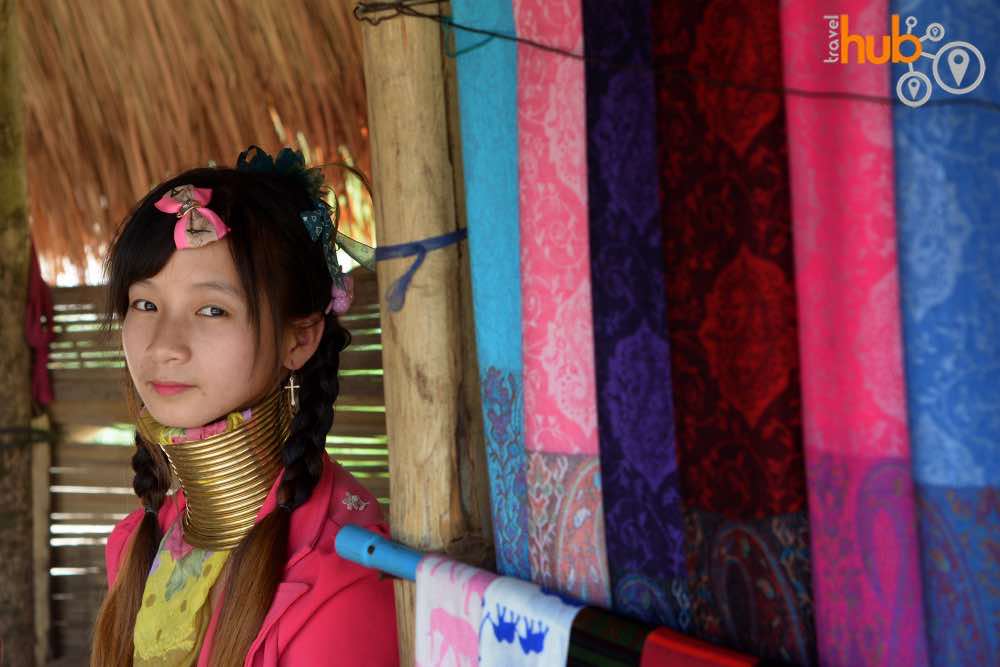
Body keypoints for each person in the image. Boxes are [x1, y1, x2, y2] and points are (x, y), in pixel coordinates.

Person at [90, 146, 399, 666]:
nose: (165, 344)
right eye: (146, 304)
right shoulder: (136, 546)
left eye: (212, 309)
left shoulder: (340, 578)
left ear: (298, 339)